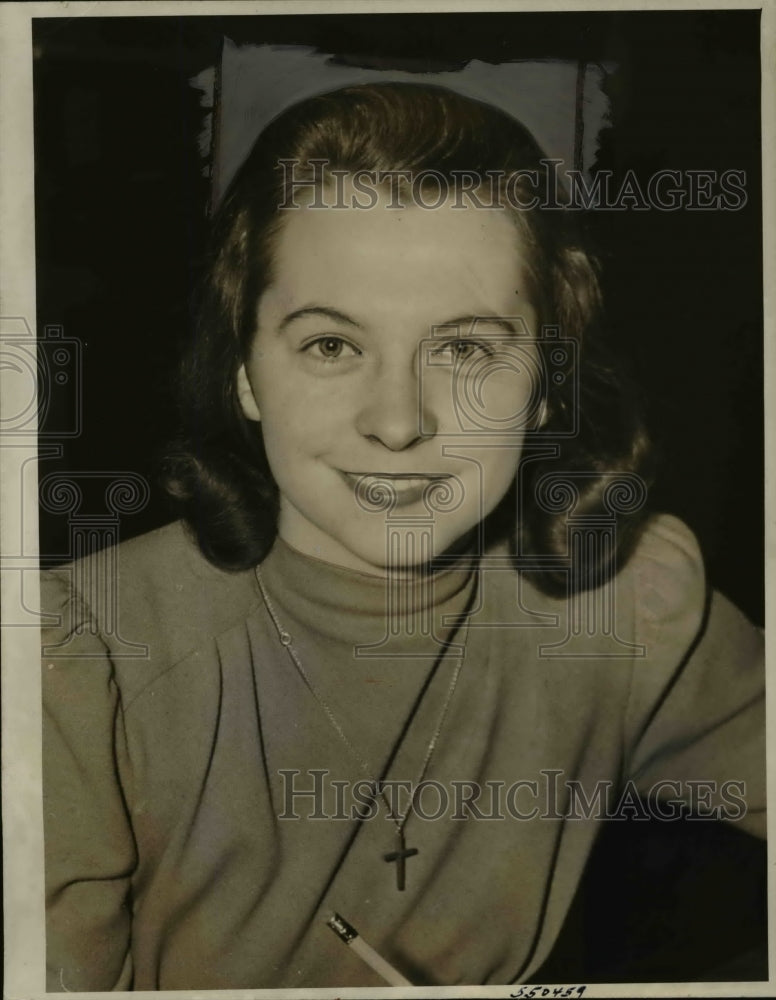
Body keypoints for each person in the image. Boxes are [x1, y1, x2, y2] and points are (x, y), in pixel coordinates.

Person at [41, 83, 765, 990]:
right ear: (245, 374)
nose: (397, 422)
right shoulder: (80, 657)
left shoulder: (625, 601)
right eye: (331, 346)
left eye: (464, 350)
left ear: (546, 384)